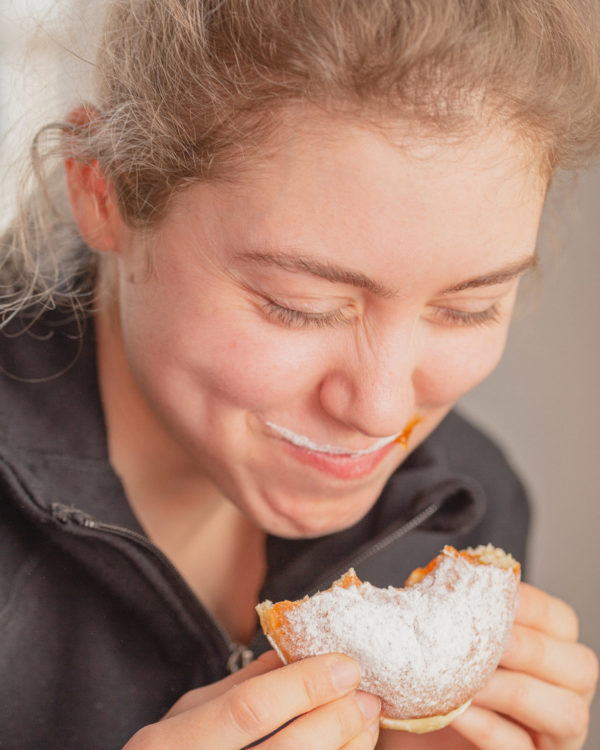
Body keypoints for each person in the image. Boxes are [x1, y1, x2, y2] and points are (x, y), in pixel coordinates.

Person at [0, 1, 599, 748]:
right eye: (301, 306)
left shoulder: (464, 505)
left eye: (469, 308)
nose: (381, 415)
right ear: (105, 190)